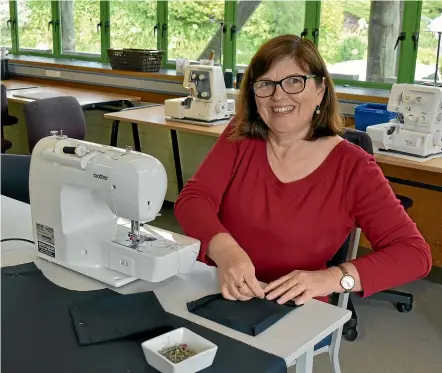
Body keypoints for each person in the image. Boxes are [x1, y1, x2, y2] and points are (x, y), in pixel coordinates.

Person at [174, 34, 432, 306]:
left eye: (294, 82)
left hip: (293, 305)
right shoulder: (239, 135)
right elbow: (193, 199)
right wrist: (227, 252)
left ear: (320, 90)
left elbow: (415, 254)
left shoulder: (354, 167)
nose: (278, 95)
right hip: (220, 284)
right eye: (266, 84)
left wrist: (333, 278)